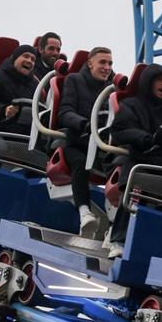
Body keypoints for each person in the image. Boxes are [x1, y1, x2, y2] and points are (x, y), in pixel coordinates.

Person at [105, 64, 162, 255]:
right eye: (159, 80)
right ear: (148, 82)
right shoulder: (132, 104)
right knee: (137, 185)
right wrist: (147, 139)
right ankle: (118, 240)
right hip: (141, 160)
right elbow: (121, 129)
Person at [55, 46, 114, 237]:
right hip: (76, 141)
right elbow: (65, 113)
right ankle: (84, 212)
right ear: (90, 64)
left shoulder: (111, 90)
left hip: (102, 145)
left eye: (110, 63)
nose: (107, 67)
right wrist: (85, 124)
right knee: (80, 162)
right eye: (102, 62)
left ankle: (114, 228)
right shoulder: (75, 80)